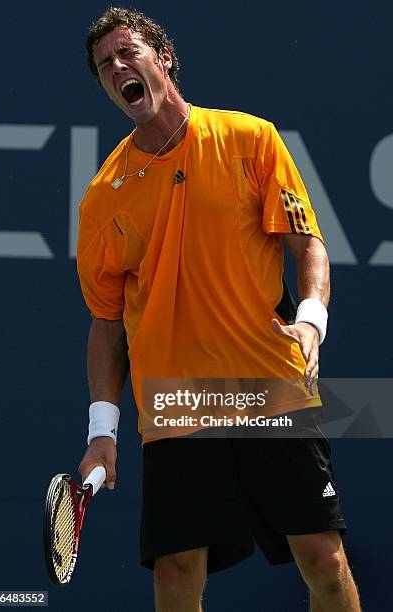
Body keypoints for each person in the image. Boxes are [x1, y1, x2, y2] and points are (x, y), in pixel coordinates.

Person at [77, 7, 361, 611]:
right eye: (106, 65)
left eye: (129, 53)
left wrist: (311, 319)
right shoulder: (103, 198)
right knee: (178, 570)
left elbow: (308, 243)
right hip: (176, 396)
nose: (118, 68)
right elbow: (105, 323)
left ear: (164, 59)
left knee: (323, 558)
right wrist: (104, 433)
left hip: (269, 381)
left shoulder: (249, 138)